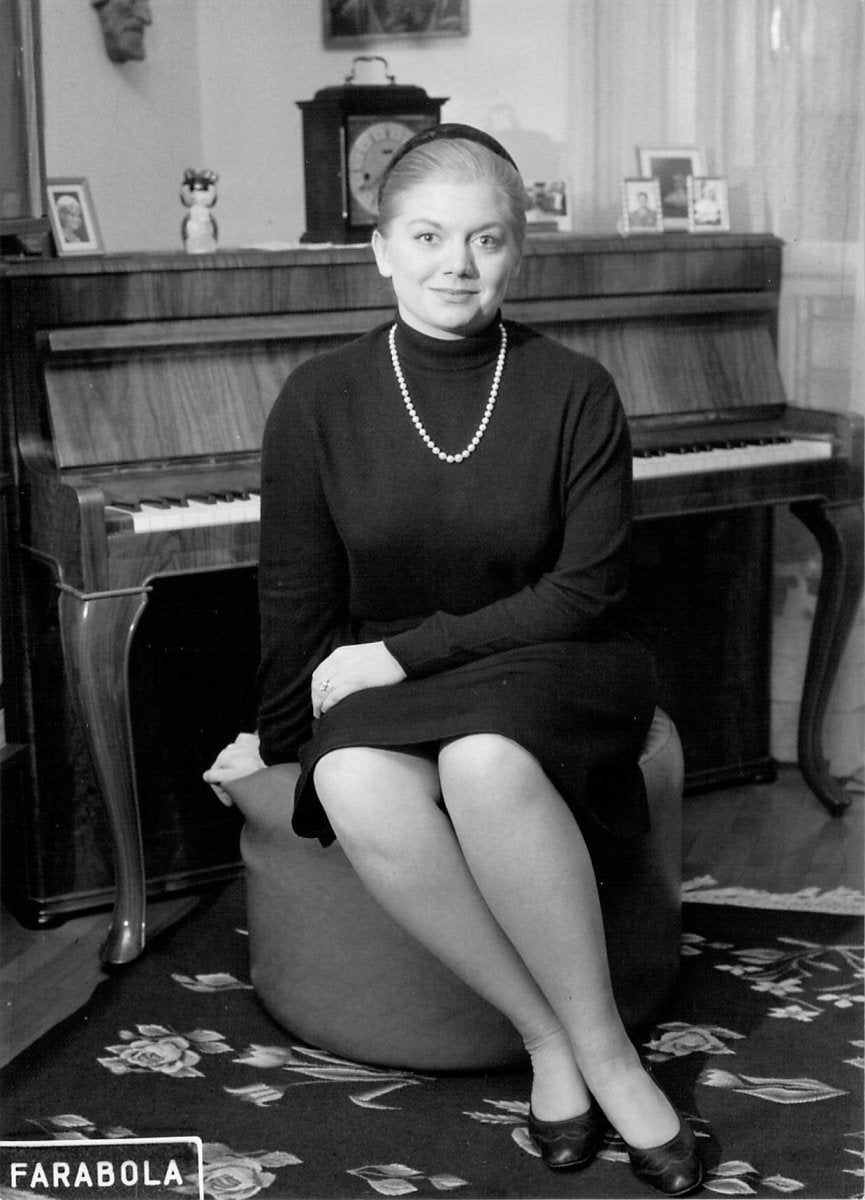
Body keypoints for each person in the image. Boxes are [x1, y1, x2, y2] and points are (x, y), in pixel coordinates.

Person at [205, 123, 703, 1196]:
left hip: (562, 662)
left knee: (484, 758)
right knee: (347, 775)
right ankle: (548, 1039)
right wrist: (280, 744)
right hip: (408, 680)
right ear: (380, 250)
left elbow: (586, 592)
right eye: (427, 236)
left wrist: (396, 655)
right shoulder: (318, 398)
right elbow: (294, 596)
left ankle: (608, 1054)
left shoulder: (575, 388)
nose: (456, 265)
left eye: (485, 238)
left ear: (517, 251)